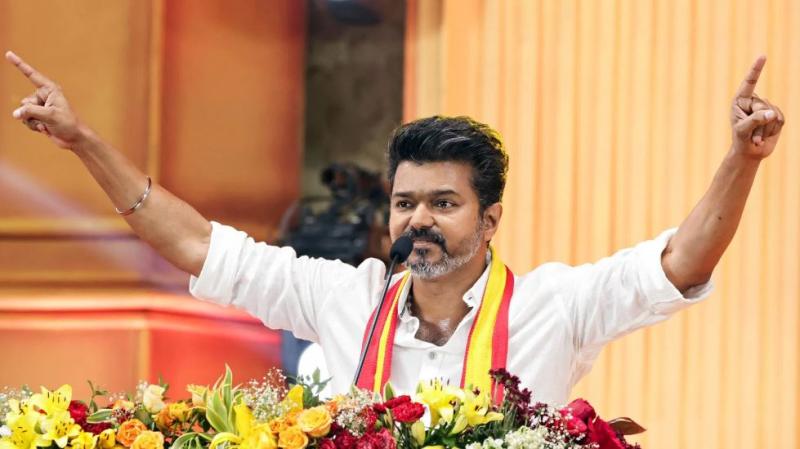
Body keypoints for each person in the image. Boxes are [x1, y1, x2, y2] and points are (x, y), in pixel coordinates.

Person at [4, 51, 785, 405]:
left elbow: (680, 263)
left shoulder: (556, 304)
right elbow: (194, 244)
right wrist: (83, 141)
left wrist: (741, 159)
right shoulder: (344, 296)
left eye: (444, 203)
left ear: (490, 218)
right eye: (406, 202)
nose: (419, 219)